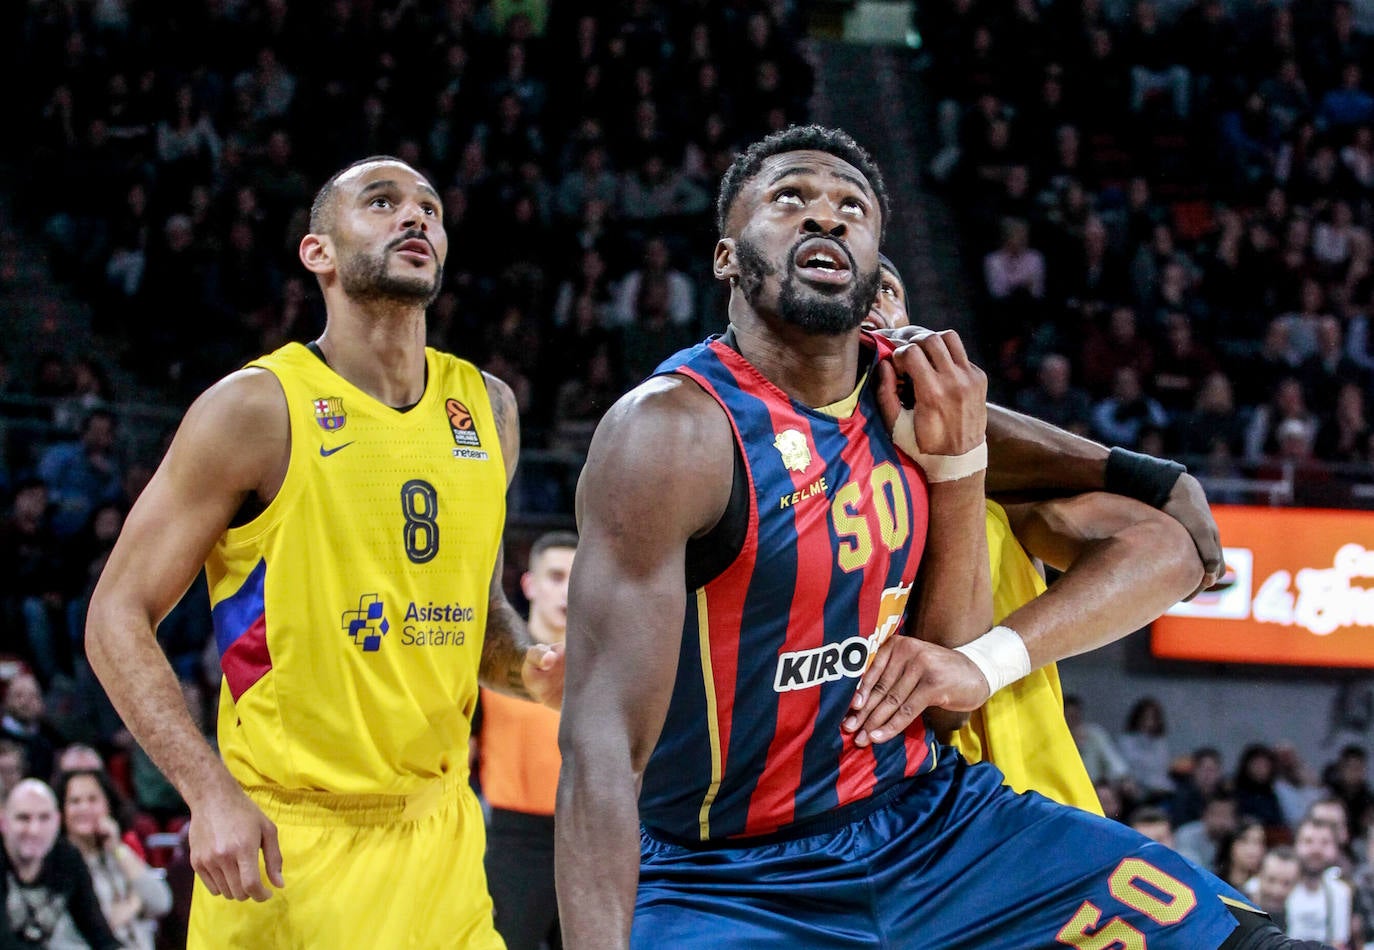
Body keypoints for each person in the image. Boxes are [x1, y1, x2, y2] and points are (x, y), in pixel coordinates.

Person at [556, 125, 1316, 950]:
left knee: (1246, 941)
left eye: (853, 207)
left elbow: (1154, 541)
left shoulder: (914, 405)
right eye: (790, 200)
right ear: (726, 258)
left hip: (935, 827)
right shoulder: (670, 433)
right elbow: (599, 747)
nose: (827, 218)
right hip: (727, 876)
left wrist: (1120, 477)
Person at [84, 156, 564, 948]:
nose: (416, 218)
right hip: (287, 848)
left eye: (430, 210)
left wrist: (530, 669)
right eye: (382, 203)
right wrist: (206, 792)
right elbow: (114, 614)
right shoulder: (254, 408)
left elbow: (479, 617)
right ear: (319, 253)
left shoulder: (489, 409)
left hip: (442, 843)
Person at [477, 530, 576, 950]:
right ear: (529, 584)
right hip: (511, 842)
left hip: (586, 840)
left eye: (577, 577)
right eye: (555, 576)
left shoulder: (605, 669)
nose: (567, 591)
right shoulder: (492, 668)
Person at [55, 768, 171, 949]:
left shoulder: (118, 854)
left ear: (108, 805)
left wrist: (118, 848)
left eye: (92, 799)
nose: (84, 808)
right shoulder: (58, 864)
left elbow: (161, 902)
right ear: (61, 811)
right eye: (75, 801)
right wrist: (136, 903)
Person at [0, 778, 118, 948]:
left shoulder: (68, 858)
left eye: (44, 818)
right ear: (3, 823)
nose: (34, 830)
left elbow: (100, 935)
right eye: (23, 818)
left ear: (57, 821)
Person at [1286, 817, 1354, 948]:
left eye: (1325, 843)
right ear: (1295, 845)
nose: (1316, 849)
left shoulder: (1341, 892)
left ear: (1336, 849)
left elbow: (1339, 943)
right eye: (1308, 841)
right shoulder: (1274, 885)